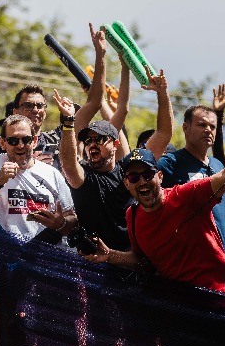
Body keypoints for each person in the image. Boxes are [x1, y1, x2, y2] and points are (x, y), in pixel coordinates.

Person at [82, 117, 225, 296]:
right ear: (126, 184)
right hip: (179, 309)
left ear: (160, 176)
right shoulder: (133, 216)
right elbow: (143, 263)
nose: (142, 181)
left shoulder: (186, 195)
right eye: (133, 177)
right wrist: (109, 255)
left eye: (148, 174)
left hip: (221, 299)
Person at [55, 23, 172, 251]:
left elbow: (164, 133)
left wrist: (162, 94)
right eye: (88, 141)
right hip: (94, 268)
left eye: (99, 139)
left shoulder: (130, 172)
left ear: (116, 144)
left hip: (133, 263)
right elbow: (69, 163)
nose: (91, 144)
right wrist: (69, 123)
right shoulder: (85, 178)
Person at [0, 114, 77, 244]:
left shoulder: (52, 173)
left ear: (34, 141)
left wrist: (61, 223)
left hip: (43, 255)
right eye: (13, 140)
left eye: (26, 139)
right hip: (5, 253)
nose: (20, 145)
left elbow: (71, 218)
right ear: (2, 143)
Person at [157, 105, 225, 265]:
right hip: (185, 263)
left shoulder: (219, 167)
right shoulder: (169, 163)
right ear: (185, 128)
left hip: (220, 262)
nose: (208, 130)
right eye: (202, 125)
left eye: (212, 126)